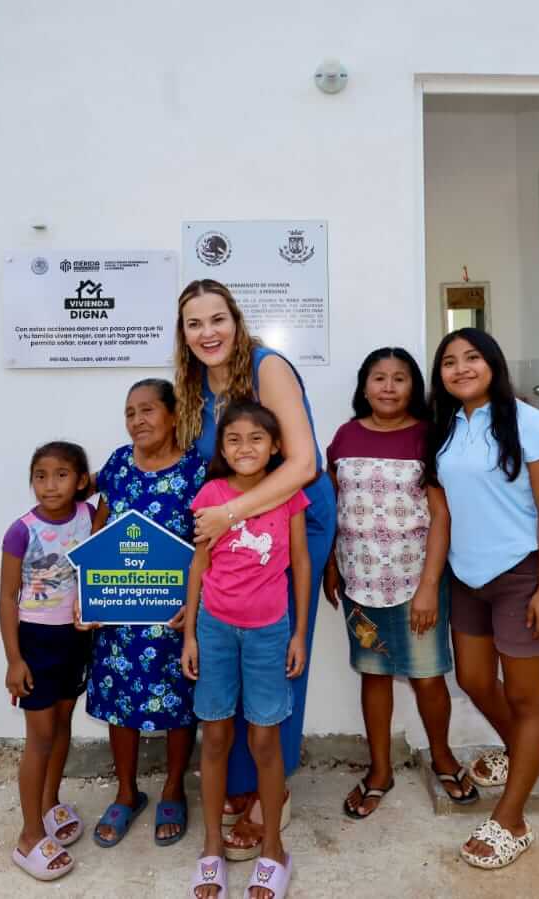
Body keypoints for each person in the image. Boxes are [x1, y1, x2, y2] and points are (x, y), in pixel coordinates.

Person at [173, 278, 336, 859]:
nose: (207, 333)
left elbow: (305, 463)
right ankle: (242, 784)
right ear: (183, 333)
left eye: (218, 320)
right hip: (230, 532)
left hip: (290, 525)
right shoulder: (193, 386)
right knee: (231, 656)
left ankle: (275, 793)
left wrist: (229, 514)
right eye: (195, 324)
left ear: (236, 323)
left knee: (277, 659)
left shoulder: (268, 368)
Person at [423, 329, 539, 871]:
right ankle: (524, 753)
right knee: (475, 680)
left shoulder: (530, 422)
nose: (460, 368)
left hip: (522, 574)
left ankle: (512, 819)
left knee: (529, 700)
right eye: (449, 362)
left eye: (472, 358)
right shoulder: (445, 429)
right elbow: (444, 513)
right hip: (468, 576)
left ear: (493, 363)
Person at [323, 347, 476, 820]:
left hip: (417, 583)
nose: (388, 387)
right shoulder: (345, 436)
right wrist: (332, 563)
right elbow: (333, 506)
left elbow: (442, 516)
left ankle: (443, 757)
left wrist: (431, 586)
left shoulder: (428, 437)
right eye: (378, 378)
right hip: (359, 583)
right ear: (363, 385)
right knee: (374, 674)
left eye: (399, 378)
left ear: (415, 387)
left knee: (429, 678)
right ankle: (379, 771)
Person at [182, 400, 310, 899]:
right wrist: (190, 632)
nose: (245, 447)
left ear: (275, 446)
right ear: (222, 448)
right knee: (213, 739)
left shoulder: (288, 495)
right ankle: (212, 846)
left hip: (268, 633)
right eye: (233, 439)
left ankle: (274, 848)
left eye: (257, 438)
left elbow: (300, 562)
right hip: (214, 630)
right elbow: (198, 566)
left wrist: (298, 634)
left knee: (263, 741)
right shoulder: (211, 494)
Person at [81, 379, 207, 847]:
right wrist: (88, 589)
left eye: (148, 410)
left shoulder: (196, 468)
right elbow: (102, 521)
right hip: (119, 609)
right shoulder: (117, 463)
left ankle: (173, 788)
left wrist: (193, 603)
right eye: (131, 412)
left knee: (177, 700)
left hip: (175, 612)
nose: (138, 420)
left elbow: (205, 541)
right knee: (119, 700)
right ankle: (127, 791)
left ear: (174, 416)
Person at [0, 441, 97, 881]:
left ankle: (49, 803)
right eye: (41, 475)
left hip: (74, 639)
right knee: (38, 737)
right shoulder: (21, 531)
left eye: (61, 475)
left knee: (62, 725)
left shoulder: (90, 517)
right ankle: (29, 836)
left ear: (79, 481)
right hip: (35, 640)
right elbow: (6, 597)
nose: (49, 485)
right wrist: (14, 659)